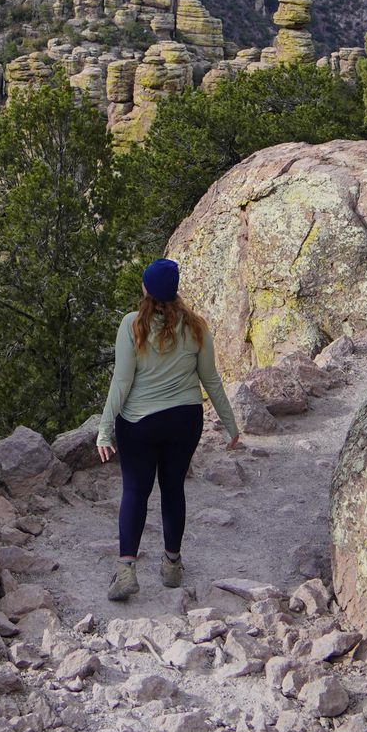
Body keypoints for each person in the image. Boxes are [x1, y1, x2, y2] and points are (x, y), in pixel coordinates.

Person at [95, 257, 239, 600]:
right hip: (184, 419)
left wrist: (104, 429)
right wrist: (231, 424)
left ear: (145, 289)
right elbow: (211, 381)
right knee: (173, 487)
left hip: (139, 423)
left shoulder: (132, 325)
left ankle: (127, 569)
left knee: (135, 491)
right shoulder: (197, 327)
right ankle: (172, 565)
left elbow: (122, 381)